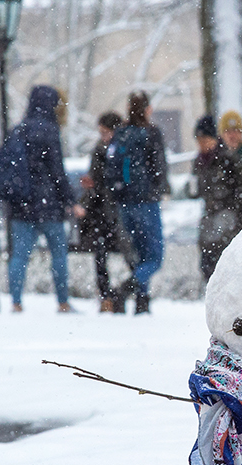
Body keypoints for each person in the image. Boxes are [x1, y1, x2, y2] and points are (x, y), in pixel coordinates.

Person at [0, 85, 76, 313]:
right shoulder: (50, 130)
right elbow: (57, 171)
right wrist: (69, 199)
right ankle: (62, 301)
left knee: (20, 256)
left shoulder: (18, 130)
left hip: (21, 204)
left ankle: (16, 301)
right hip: (49, 205)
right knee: (59, 254)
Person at [103, 91, 170, 315]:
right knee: (155, 257)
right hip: (146, 201)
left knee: (140, 255)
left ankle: (142, 301)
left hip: (124, 203)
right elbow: (159, 166)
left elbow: (109, 167)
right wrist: (161, 189)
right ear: (147, 109)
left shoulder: (120, 133)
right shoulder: (151, 133)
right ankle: (126, 289)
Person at [76, 111, 133, 313]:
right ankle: (106, 297)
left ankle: (127, 294)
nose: (103, 136)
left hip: (118, 210)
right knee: (101, 255)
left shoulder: (123, 149)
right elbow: (95, 180)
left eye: (105, 132)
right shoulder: (100, 151)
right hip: (101, 211)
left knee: (128, 254)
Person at [193, 115, 242, 280]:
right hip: (210, 219)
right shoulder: (200, 161)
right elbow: (197, 190)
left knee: (227, 267)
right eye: (198, 140)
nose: (201, 144)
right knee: (208, 265)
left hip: (229, 220)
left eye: (204, 140)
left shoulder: (228, 160)